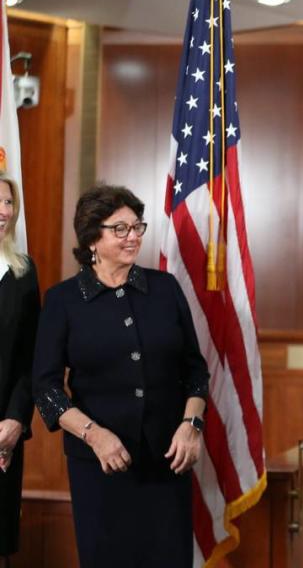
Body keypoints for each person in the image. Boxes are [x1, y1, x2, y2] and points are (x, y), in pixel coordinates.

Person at [32, 185, 210, 567]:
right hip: (99, 467)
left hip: (168, 460)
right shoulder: (62, 301)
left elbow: (195, 371)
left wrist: (191, 424)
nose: (134, 237)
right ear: (91, 237)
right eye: (121, 229)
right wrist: (95, 436)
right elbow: (46, 390)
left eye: (137, 227)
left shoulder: (165, 289)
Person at [0, 174, 39, 567]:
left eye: (8, 202)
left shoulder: (24, 273)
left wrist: (15, 420)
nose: (3, 211)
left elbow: (32, 359)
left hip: (2, 434)